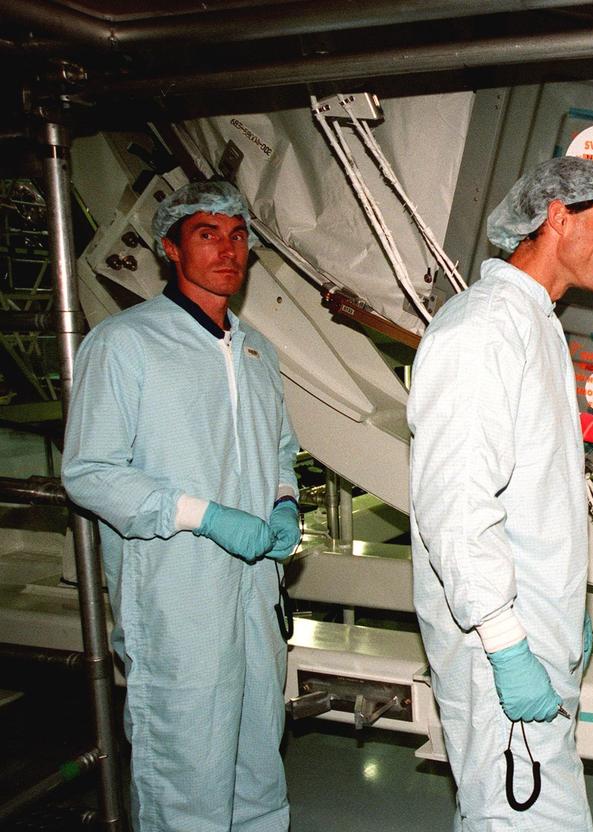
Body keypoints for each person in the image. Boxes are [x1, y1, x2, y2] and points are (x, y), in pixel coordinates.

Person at [62, 180, 301, 832]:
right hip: (177, 604)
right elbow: (90, 472)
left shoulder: (256, 351)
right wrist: (206, 516)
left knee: (259, 771)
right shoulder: (124, 345)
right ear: (170, 247)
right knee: (185, 785)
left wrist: (284, 506)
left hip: (254, 597)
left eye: (238, 234)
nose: (228, 250)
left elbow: (280, 452)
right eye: (206, 235)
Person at [407, 155, 593, 830]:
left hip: (535, 634)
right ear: (559, 217)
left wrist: (563, 615)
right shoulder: (482, 331)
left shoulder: (535, 323)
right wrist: (506, 645)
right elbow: (456, 506)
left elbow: (533, 499)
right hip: (500, 651)